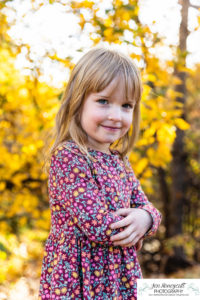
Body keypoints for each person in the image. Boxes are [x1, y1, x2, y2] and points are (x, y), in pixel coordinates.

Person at [38, 47, 162, 300]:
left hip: (119, 278)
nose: (115, 116)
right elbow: (98, 225)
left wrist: (145, 220)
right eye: (104, 101)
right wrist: (133, 228)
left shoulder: (119, 161)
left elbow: (147, 208)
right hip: (78, 281)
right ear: (78, 101)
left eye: (126, 105)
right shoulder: (69, 156)